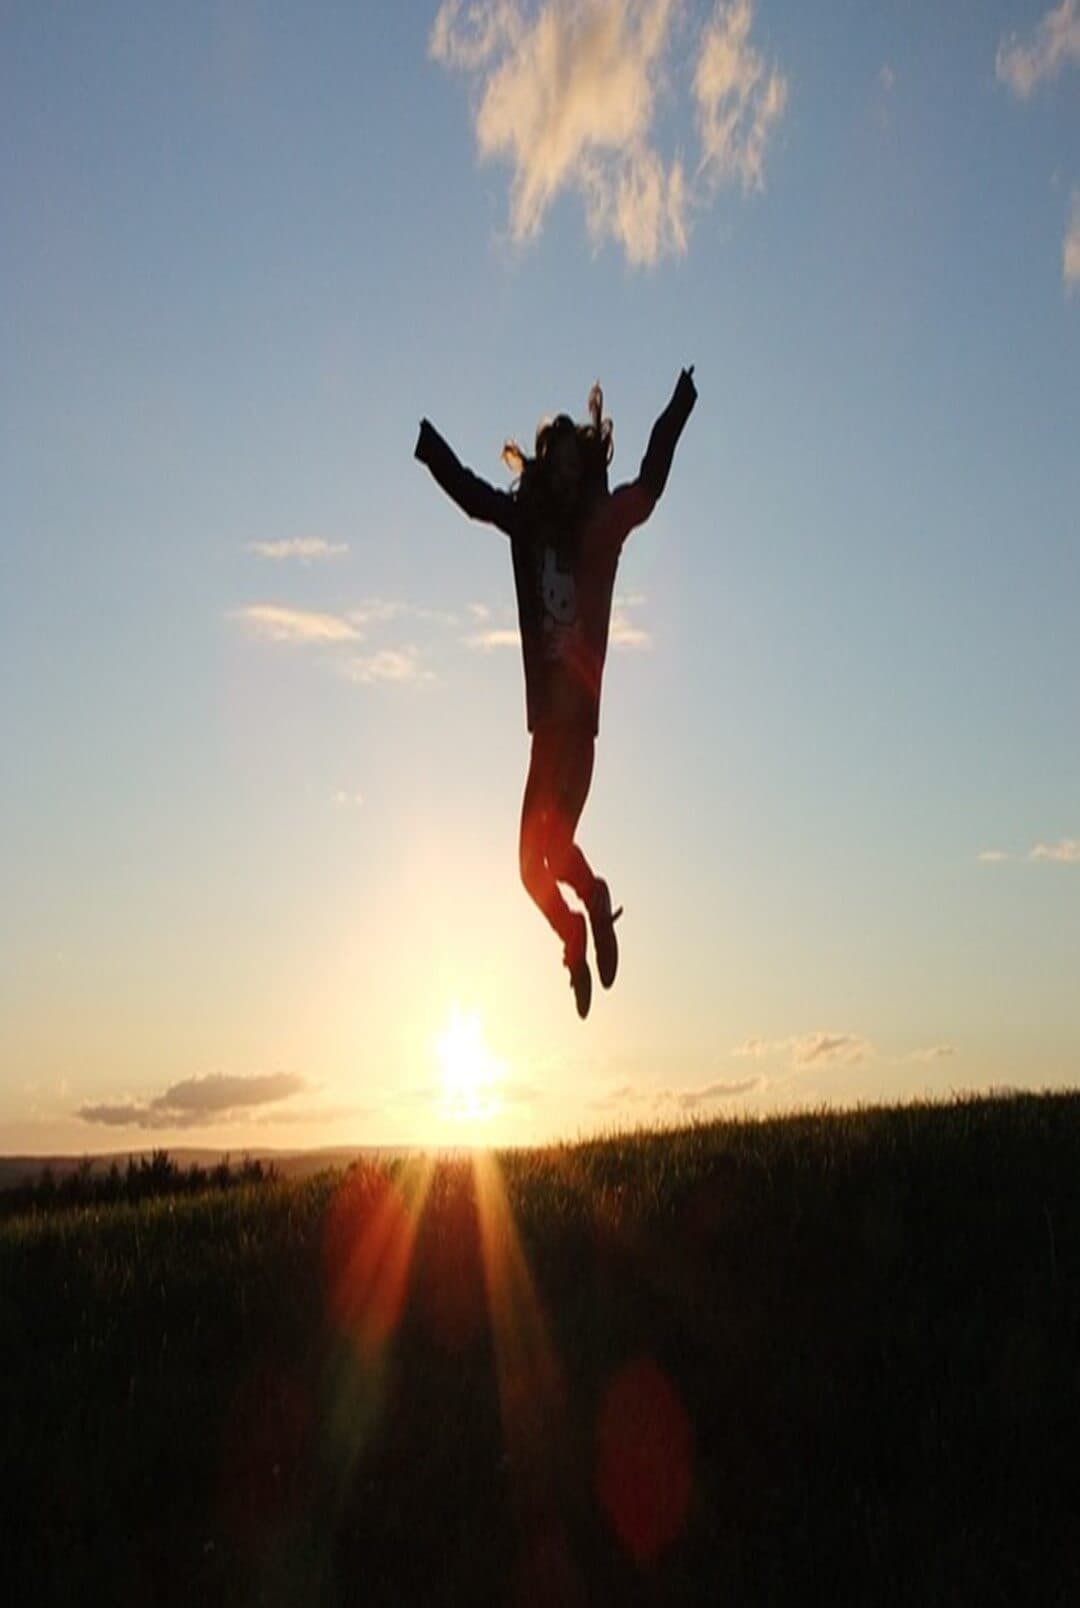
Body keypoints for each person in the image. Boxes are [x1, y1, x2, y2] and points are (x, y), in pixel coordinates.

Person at [414, 366, 697, 1018]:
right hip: (546, 728)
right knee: (530, 868)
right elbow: (474, 497)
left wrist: (680, 402)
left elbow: (649, 485)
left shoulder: (603, 529)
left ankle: (591, 907)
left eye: (579, 464)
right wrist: (428, 445)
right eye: (558, 465)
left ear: (589, 470)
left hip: (578, 729)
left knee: (548, 848)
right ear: (546, 472)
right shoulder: (528, 526)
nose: (570, 476)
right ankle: (578, 924)